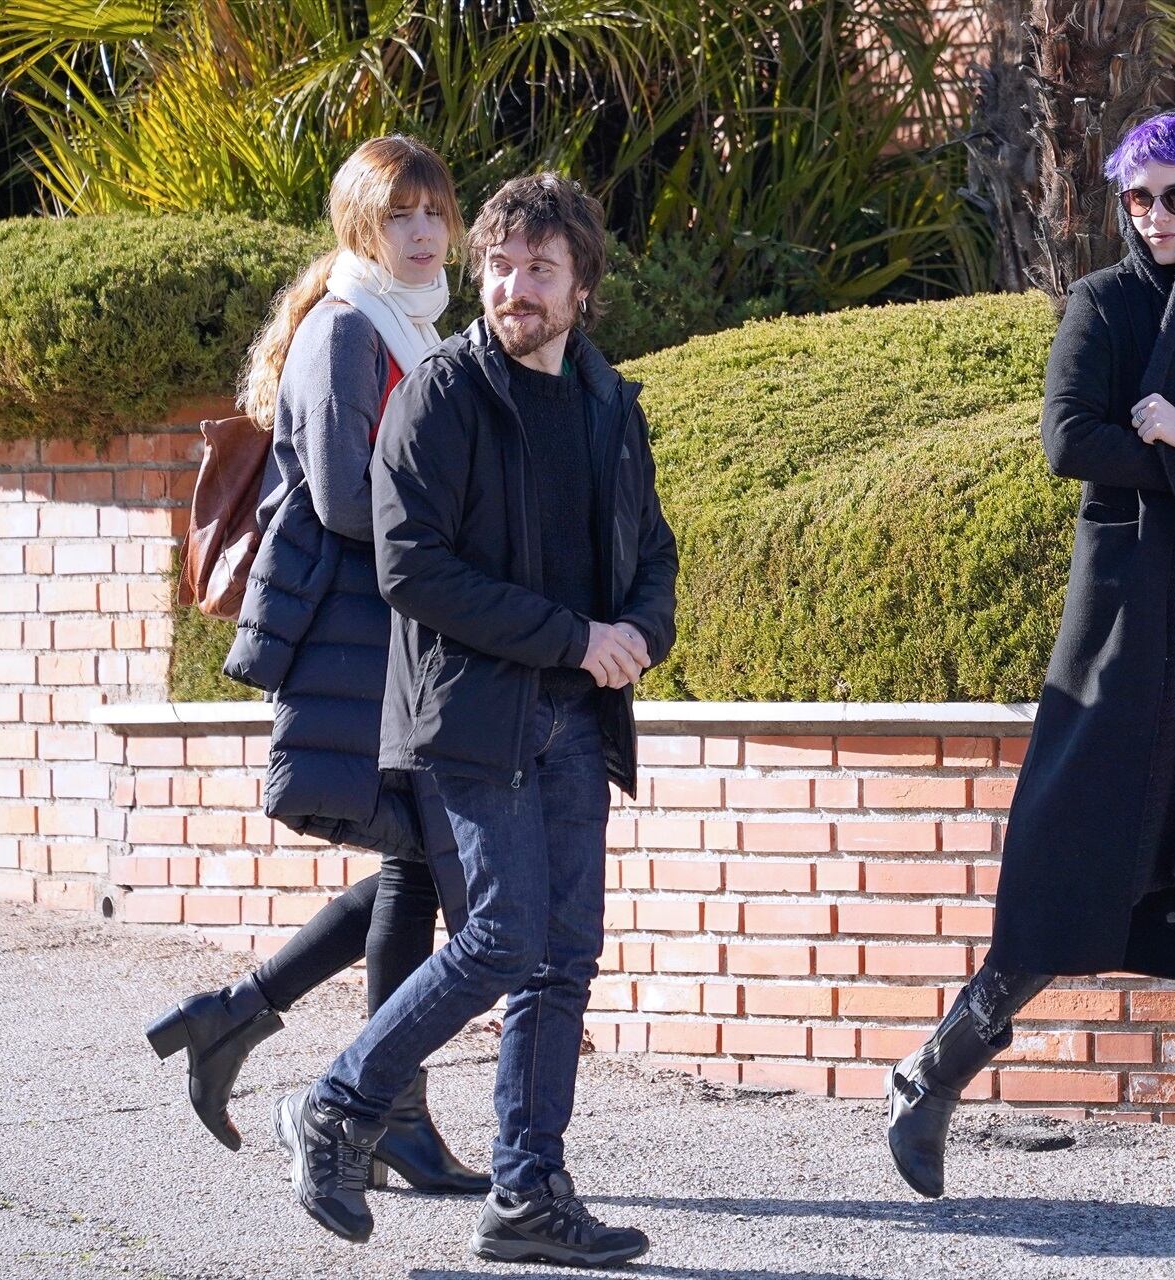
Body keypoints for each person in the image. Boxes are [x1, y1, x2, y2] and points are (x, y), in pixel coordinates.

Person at [884, 112, 1175, 1206]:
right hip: (1135, 641)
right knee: (1079, 868)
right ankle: (933, 1069)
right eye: (1136, 199)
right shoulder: (1104, 305)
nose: (1153, 218)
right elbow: (1070, 437)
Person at [271, 172, 677, 1267]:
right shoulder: (441, 393)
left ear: (580, 284)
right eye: (499, 264)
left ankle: (528, 1190)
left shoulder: (607, 404)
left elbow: (650, 555)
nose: (512, 286)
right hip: (470, 715)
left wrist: (639, 628)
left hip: (576, 723)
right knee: (502, 935)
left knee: (563, 959)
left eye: (539, 268)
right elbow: (412, 567)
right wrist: (569, 636)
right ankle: (342, 1101)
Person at [144, 135, 485, 1196]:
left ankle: (251, 1026)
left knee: (415, 864)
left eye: (435, 214)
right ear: (359, 228)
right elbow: (347, 496)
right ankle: (366, 1102)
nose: (424, 234)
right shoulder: (347, 333)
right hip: (363, 638)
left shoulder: (405, 326)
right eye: (401, 217)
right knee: (432, 865)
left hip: (391, 635)